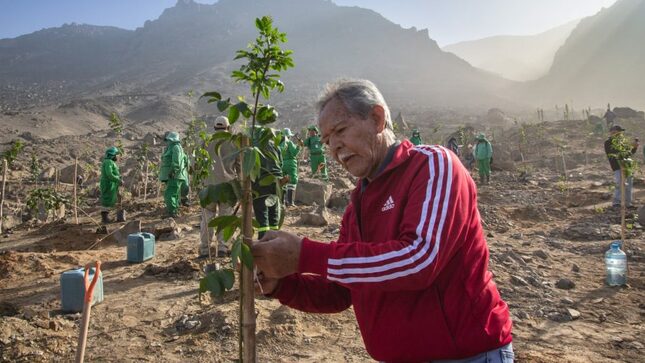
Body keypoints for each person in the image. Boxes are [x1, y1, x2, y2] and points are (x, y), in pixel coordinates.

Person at [252, 79, 513, 362]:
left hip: (465, 355)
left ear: (377, 118)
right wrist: (281, 285)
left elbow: (418, 261)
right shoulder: (359, 203)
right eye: (327, 140)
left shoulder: (431, 166)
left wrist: (305, 255)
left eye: (341, 130)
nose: (335, 147)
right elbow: (340, 292)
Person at [199, 116, 238, 258]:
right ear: (228, 127)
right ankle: (223, 247)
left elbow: (197, 163)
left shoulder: (206, 141)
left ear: (215, 127)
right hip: (228, 187)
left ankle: (205, 249)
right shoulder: (234, 142)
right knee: (225, 217)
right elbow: (240, 165)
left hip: (208, 186)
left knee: (207, 218)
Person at [252, 127, 284, 238]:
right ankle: (274, 241)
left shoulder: (253, 147)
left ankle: (263, 240)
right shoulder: (275, 146)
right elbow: (280, 164)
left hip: (260, 184)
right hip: (276, 184)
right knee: (274, 215)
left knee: (262, 216)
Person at [604, 125, 638, 209]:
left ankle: (628, 203)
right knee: (619, 184)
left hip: (627, 166)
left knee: (628, 185)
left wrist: (634, 148)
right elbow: (615, 154)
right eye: (616, 132)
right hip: (617, 166)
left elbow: (629, 154)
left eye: (620, 132)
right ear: (611, 133)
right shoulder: (608, 142)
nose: (619, 134)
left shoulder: (623, 142)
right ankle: (616, 203)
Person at [159, 131, 188, 217]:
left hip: (174, 176)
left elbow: (177, 161)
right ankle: (173, 210)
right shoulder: (171, 148)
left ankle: (172, 212)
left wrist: (173, 171)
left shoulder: (176, 147)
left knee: (170, 193)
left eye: (168, 140)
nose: (167, 142)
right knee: (172, 193)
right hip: (172, 175)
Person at [99, 146, 122, 224]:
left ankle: (106, 218)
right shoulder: (108, 162)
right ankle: (105, 219)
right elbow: (109, 174)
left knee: (109, 199)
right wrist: (118, 179)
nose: (117, 157)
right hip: (108, 183)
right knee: (107, 200)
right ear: (112, 155)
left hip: (110, 183)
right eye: (116, 155)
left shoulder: (109, 162)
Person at [280, 128, 301, 207]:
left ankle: (282, 202)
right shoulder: (289, 143)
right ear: (288, 136)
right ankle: (290, 202)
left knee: (283, 182)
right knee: (292, 181)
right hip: (291, 164)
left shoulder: (280, 144)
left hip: (282, 164)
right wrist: (298, 146)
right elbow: (294, 153)